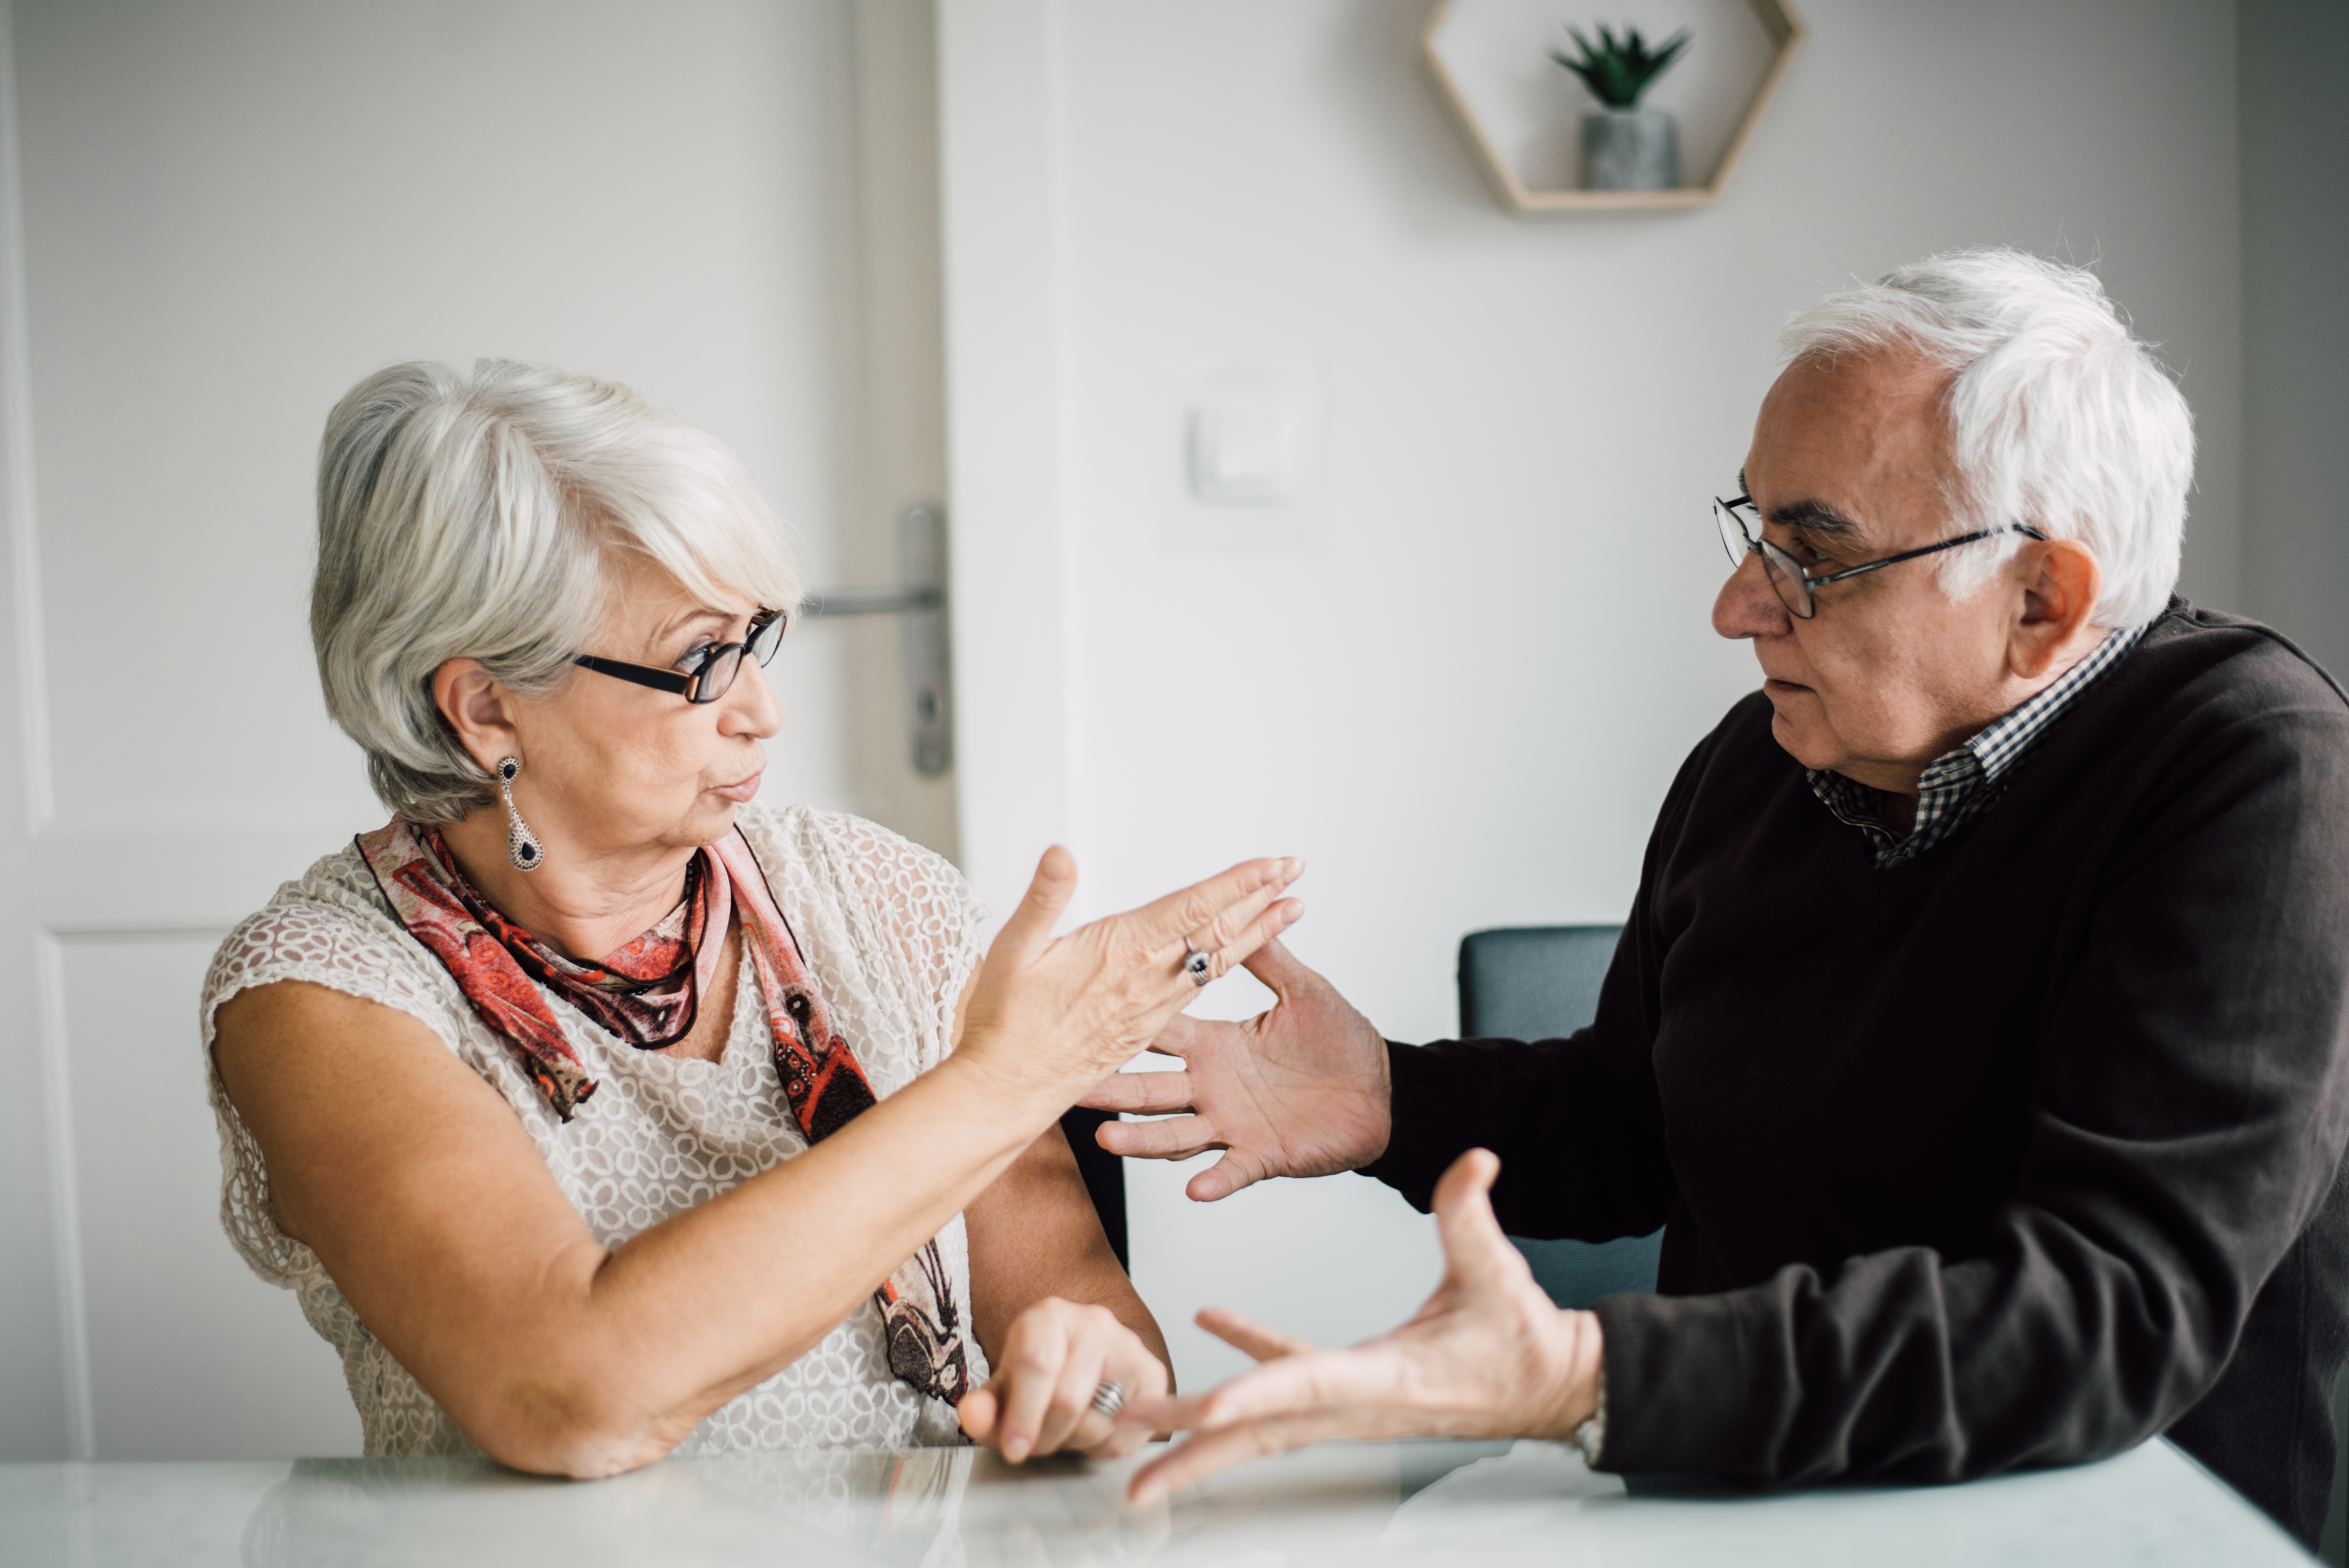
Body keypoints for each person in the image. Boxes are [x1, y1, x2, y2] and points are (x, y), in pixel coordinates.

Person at [1089, 250, 2349, 1548]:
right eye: (1754, 531)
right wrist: (1392, 1101)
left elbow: (2107, 1314)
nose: (1737, 605)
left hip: (2094, 1530)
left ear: (2041, 602)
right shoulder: (1771, 757)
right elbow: (1638, 1126)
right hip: (1736, 1513)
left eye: (1814, 554)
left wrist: (1593, 1380)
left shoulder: (2255, 767)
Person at [204, 360, 1302, 1475]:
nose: (764, 713)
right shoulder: (323, 992)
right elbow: (571, 1396)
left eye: (757, 638)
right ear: (488, 706)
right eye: (701, 661)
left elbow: (1099, 1338)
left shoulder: (885, 899)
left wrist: (1092, 1381)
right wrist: (1009, 1077)